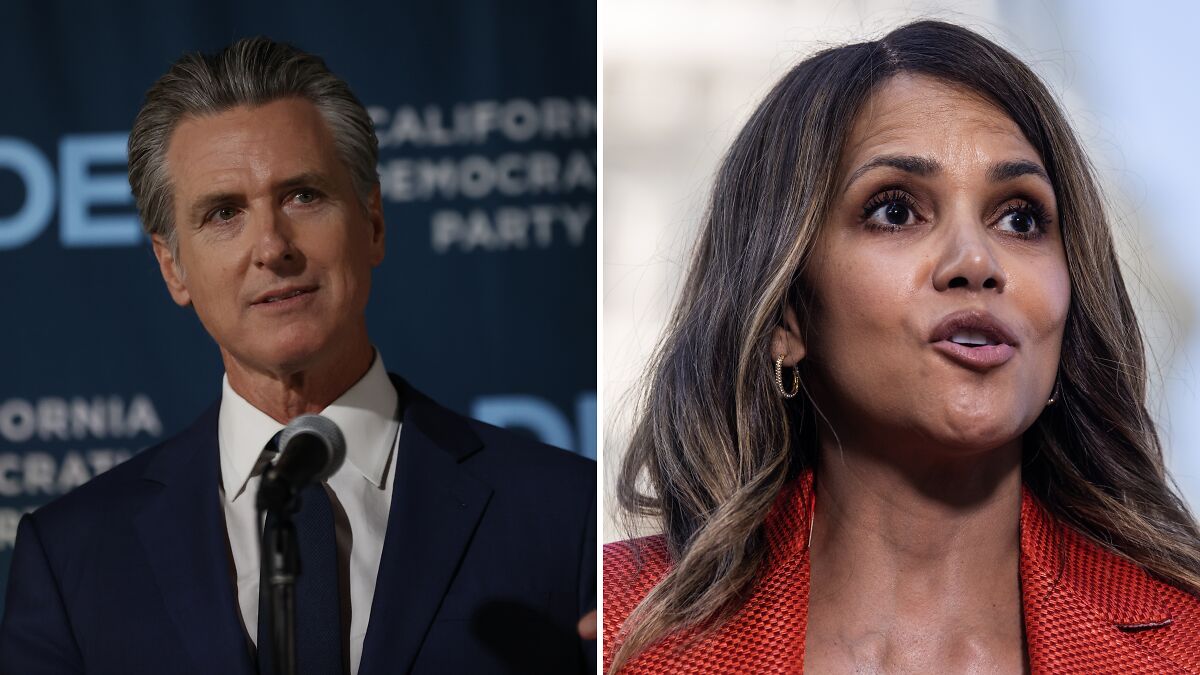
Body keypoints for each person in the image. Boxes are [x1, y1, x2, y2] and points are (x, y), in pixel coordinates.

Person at [603, 20, 1200, 673]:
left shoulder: (1184, 644)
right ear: (787, 317)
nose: (976, 259)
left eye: (1020, 217)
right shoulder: (613, 631)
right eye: (895, 210)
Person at [0, 37, 595, 674]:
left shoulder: (567, 515)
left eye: (302, 196)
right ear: (172, 266)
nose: (273, 246)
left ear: (372, 223)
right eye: (224, 213)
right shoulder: (71, 557)